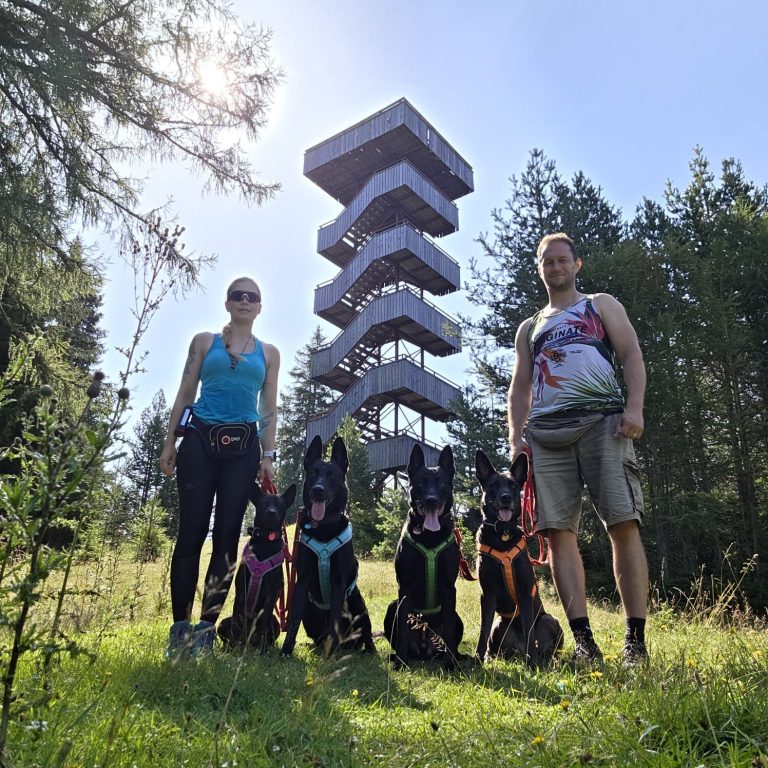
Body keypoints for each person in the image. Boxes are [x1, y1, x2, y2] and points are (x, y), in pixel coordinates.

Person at [507, 233, 649, 666]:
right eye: (547, 262)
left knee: (622, 523)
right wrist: (515, 437)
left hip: (604, 423)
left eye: (562, 260)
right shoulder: (530, 328)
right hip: (547, 436)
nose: (555, 267)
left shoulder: (599, 305)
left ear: (577, 264)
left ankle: (635, 643)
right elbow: (520, 386)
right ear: (539, 269)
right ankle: (585, 643)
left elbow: (632, 355)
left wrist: (634, 408)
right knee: (557, 533)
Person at [159, 276, 280, 657]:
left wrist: (268, 455)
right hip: (198, 441)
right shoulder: (203, 342)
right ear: (227, 303)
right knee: (191, 533)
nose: (245, 300)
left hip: (243, 450)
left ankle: (205, 633)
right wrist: (170, 441)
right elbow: (185, 392)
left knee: (227, 538)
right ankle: (180, 634)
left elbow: (269, 407)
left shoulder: (269, 353)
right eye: (237, 295)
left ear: (260, 307)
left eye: (252, 297)